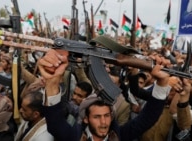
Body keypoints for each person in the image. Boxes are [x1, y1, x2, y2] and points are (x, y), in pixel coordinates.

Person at [38, 49, 171, 141]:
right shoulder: (74, 136)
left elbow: (148, 117)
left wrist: (162, 83)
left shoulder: (119, 136)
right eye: (97, 117)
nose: (103, 122)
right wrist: (52, 83)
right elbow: (55, 123)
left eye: (107, 116)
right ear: (86, 119)